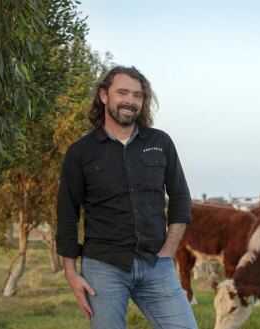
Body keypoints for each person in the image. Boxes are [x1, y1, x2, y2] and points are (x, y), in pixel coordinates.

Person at [56, 66, 198, 329]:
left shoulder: (161, 142)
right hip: (103, 268)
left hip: (157, 264)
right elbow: (67, 213)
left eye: (138, 95)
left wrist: (168, 252)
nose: (130, 101)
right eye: (122, 92)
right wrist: (71, 272)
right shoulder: (80, 152)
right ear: (104, 95)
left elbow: (180, 199)